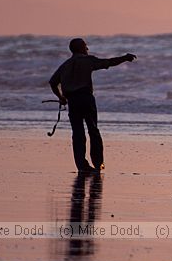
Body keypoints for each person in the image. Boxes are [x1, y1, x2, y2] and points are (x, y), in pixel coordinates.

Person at [49, 38, 136, 172]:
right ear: (81, 48)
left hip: (73, 101)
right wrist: (125, 58)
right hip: (86, 99)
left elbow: (52, 82)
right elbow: (108, 62)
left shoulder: (65, 65)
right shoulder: (88, 61)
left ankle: (82, 166)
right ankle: (98, 163)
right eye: (85, 46)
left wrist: (61, 97)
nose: (87, 49)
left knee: (78, 133)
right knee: (93, 130)